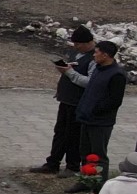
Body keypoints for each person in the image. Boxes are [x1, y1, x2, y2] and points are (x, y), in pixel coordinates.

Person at [31, 26, 97, 174]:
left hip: (78, 103)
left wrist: (69, 72)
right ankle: (52, 162)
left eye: (78, 44)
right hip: (66, 100)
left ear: (87, 42)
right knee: (60, 132)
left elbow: (89, 82)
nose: (76, 47)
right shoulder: (77, 53)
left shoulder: (94, 58)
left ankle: (72, 166)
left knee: (73, 136)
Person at [74, 41, 127, 187]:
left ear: (105, 55)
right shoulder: (98, 69)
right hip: (87, 118)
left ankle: (98, 187)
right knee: (85, 153)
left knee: (98, 156)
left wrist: (95, 110)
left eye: (96, 52)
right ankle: (85, 181)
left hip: (100, 122)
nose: (94, 55)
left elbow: (115, 101)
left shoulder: (117, 75)